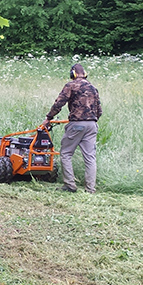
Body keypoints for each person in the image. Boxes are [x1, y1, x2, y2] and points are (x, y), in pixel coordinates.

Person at [44, 63, 102, 193]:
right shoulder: (93, 88)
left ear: (73, 74)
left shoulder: (71, 85)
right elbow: (99, 111)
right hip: (92, 125)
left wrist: (49, 118)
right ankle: (90, 189)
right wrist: (91, 120)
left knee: (65, 153)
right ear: (85, 73)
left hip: (77, 125)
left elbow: (59, 103)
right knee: (90, 157)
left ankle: (70, 185)